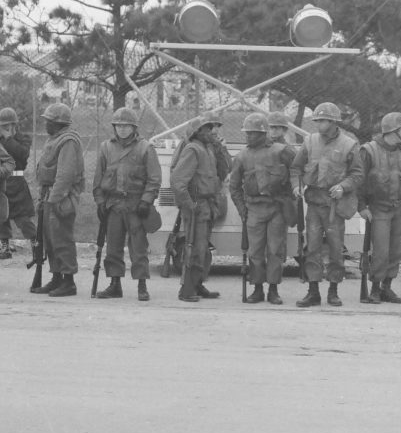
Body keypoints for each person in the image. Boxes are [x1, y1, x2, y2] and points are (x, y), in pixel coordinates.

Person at [289, 102, 364, 307]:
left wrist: (343, 186)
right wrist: (296, 186)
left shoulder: (349, 145)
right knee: (312, 248)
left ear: (333, 122)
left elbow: (357, 174)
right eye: (317, 120)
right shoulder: (310, 141)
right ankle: (313, 291)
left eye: (323, 120)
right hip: (314, 203)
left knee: (335, 250)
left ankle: (333, 291)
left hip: (334, 206)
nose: (319, 124)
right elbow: (296, 168)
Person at [92, 108, 161, 301]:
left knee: (138, 247)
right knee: (113, 246)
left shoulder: (145, 148)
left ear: (134, 127)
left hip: (135, 204)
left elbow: (154, 179)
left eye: (126, 126)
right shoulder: (106, 147)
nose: (122, 129)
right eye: (118, 125)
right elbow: (98, 179)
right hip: (113, 204)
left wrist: (146, 201)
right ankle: (115, 284)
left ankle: (142, 285)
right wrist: (100, 202)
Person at [229, 113, 295, 306]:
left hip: (276, 207)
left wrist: (292, 195)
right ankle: (257, 289)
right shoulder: (242, 156)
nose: (248, 136)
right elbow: (234, 187)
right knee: (255, 251)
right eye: (247, 132)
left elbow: (297, 172)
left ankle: (273, 289)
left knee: (275, 250)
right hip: (254, 208)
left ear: (262, 133)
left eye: (252, 133)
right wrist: (242, 210)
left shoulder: (282, 151)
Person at [357, 112, 401, 305]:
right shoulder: (369, 151)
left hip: (400, 208)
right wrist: (362, 207)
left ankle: (387, 287)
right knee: (381, 251)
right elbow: (359, 180)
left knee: (396, 251)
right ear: (393, 131)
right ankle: (375, 288)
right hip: (378, 208)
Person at [170, 112, 231, 302]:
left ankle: (197, 284)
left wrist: (220, 149)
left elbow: (225, 170)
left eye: (213, 128)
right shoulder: (193, 149)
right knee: (194, 248)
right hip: (197, 206)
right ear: (197, 131)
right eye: (207, 128)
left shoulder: (209, 149)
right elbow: (178, 181)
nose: (212, 131)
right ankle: (187, 289)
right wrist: (189, 204)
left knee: (202, 249)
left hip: (208, 205)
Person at [30, 103, 82, 297]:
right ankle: (57, 277)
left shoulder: (68, 141)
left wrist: (54, 199)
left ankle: (69, 281)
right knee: (50, 240)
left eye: (49, 121)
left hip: (60, 197)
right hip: (49, 195)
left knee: (62, 239)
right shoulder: (55, 139)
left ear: (59, 123)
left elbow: (65, 174)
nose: (46, 124)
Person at [0, 107, 35, 259]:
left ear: (15, 125)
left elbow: (22, 155)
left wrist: (8, 139)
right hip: (3, 181)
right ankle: (5, 247)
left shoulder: (23, 139)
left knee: (22, 217)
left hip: (17, 182)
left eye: (9, 125)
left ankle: (36, 245)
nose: (6, 128)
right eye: (3, 126)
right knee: (2, 216)